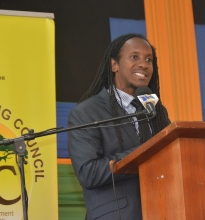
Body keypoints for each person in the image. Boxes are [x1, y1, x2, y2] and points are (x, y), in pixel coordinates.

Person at [68, 33, 171, 220]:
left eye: (149, 60)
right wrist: (145, 152)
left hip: (160, 212)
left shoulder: (156, 111)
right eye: (135, 57)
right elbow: (88, 173)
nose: (144, 64)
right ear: (114, 64)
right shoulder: (87, 112)